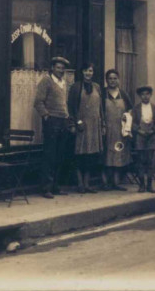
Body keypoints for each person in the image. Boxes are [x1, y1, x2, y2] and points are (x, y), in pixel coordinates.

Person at [34, 56, 74, 199]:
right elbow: (38, 102)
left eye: (63, 68)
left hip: (63, 121)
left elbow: (64, 103)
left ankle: (56, 186)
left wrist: (68, 118)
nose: (60, 70)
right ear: (52, 68)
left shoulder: (64, 83)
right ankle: (46, 188)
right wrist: (46, 116)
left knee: (60, 155)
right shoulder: (46, 81)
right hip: (52, 122)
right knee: (49, 155)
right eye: (58, 67)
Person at [67, 62, 105, 194]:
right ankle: (80, 184)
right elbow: (70, 107)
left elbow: (100, 108)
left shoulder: (97, 87)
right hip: (81, 126)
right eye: (86, 71)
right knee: (79, 155)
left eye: (90, 71)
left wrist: (103, 124)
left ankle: (87, 184)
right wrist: (76, 122)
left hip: (94, 126)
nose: (88, 73)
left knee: (91, 156)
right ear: (82, 72)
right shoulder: (76, 87)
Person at [100, 69, 133, 191]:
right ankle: (104, 182)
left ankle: (116, 182)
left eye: (115, 78)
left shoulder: (123, 94)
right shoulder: (102, 93)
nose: (112, 81)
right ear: (106, 80)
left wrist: (127, 125)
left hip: (120, 130)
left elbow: (130, 110)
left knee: (118, 155)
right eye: (110, 78)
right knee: (106, 156)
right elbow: (99, 111)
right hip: (106, 129)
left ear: (118, 80)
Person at [131, 86, 155, 193]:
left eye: (147, 94)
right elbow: (132, 123)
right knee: (140, 161)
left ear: (150, 95)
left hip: (151, 136)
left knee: (149, 161)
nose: (145, 96)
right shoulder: (136, 109)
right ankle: (141, 185)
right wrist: (139, 131)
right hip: (140, 136)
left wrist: (153, 131)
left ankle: (149, 185)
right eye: (143, 94)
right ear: (140, 96)